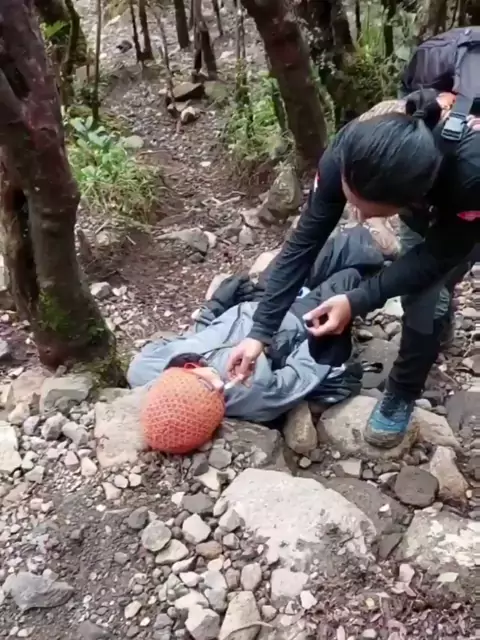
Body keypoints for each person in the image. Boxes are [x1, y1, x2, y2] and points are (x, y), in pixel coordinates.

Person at [227, 30, 480, 448]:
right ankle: (438, 311)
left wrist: (359, 299)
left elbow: (439, 253)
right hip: (432, 154)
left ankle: (402, 392)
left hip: (464, 194)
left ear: (412, 200)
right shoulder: (349, 149)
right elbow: (305, 242)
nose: (358, 218)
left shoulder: (470, 175)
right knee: (425, 282)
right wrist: (260, 332)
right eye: (351, 202)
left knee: (429, 288)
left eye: (368, 211)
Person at [128, 226, 390, 425]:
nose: (219, 388)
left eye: (204, 386)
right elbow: (303, 373)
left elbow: (189, 339)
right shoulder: (250, 393)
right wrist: (322, 335)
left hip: (259, 302)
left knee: (309, 253)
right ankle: (393, 269)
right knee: (349, 277)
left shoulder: (145, 369)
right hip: (297, 321)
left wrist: (213, 309)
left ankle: (374, 244)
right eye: (213, 399)